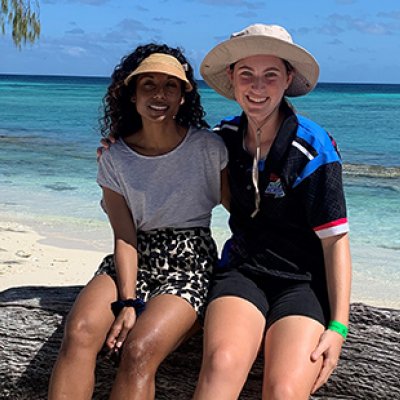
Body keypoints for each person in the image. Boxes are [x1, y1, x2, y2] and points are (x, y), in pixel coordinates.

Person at [48, 43, 228, 400]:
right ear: (131, 94)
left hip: (190, 262)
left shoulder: (209, 148)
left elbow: (244, 211)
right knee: (81, 331)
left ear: (182, 97)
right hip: (133, 253)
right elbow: (124, 235)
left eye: (170, 86)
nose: (159, 94)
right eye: (148, 85)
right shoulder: (114, 157)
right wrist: (128, 303)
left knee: (138, 350)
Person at [193, 24, 352, 400]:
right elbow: (168, 149)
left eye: (270, 76)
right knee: (222, 364)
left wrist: (339, 328)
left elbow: (335, 242)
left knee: (283, 390)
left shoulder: (312, 149)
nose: (257, 87)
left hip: (302, 282)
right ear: (232, 78)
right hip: (243, 272)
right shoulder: (224, 139)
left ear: (288, 79)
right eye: (246, 74)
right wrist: (122, 142)